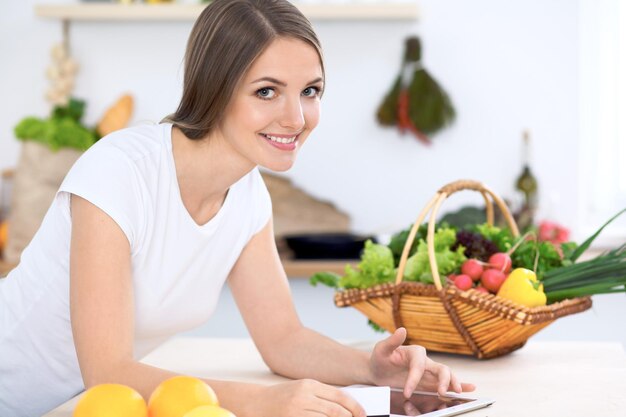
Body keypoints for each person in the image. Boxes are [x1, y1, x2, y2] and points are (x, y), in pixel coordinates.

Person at [0, 1, 474, 416]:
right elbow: (107, 369)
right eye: (266, 91)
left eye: (310, 91)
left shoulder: (247, 194)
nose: (296, 117)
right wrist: (259, 404)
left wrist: (372, 368)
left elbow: (283, 339)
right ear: (214, 89)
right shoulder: (120, 172)